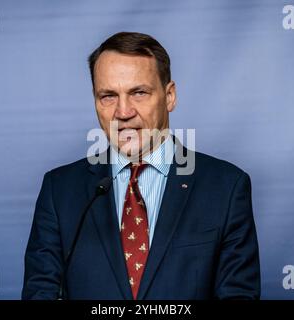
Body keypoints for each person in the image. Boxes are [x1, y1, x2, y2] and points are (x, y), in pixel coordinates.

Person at [22, 32, 260, 300]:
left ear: (169, 96)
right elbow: (40, 292)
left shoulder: (226, 187)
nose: (123, 112)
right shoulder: (59, 190)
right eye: (108, 96)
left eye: (139, 93)